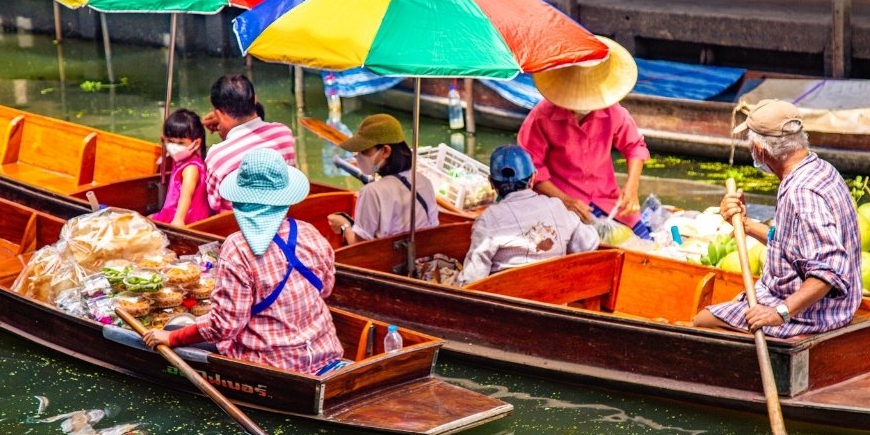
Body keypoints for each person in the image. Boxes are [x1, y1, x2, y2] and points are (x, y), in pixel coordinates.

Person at [144, 148, 344, 375]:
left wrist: (172, 336)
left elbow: (224, 327)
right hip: (324, 350)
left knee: (173, 325)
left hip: (271, 364)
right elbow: (325, 289)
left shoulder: (238, 248)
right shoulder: (310, 233)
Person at [690, 99, 862, 337]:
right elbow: (789, 245)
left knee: (702, 321)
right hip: (815, 303)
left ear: (760, 150)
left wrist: (780, 312)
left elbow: (829, 272)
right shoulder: (820, 168)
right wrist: (744, 223)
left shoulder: (801, 193)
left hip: (817, 313)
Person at [518, 36, 651, 237]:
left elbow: (635, 146)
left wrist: (632, 187)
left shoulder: (612, 110)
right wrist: (565, 200)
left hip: (608, 201)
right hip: (560, 204)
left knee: (644, 242)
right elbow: (531, 168)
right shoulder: (541, 117)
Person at [456, 145, 599, 286]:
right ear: (532, 178)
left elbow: (472, 279)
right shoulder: (557, 206)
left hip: (506, 303)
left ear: (492, 183)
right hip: (555, 297)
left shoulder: (489, 219)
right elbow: (588, 244)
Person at [327, 114, 439, 245]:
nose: (358, 157)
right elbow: (433, 227)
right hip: (424, 256)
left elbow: (359, 246)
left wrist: (344, 225)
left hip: (389, 262)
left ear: (385, 151)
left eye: (364, 151)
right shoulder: (424, 181)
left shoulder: (372, 191)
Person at [202, 74, 296, 212]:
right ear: (255, 100)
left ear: (219, 113)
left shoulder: (217, 156)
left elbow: (214, 205)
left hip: (235, 228)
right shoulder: (283, 134)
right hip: (281, 216)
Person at [151, 108, 212, 226]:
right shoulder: (181, 160)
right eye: (170, 141)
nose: (174, 147)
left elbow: (186, 194)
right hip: (171, 212)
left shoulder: (191, 169)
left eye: (180, 143)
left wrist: (179, 219)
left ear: (196, 143)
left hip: (186, 217)